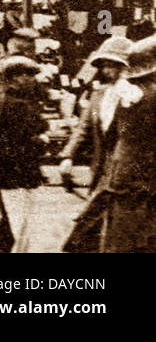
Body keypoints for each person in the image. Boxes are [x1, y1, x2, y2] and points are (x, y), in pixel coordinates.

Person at [60, 37, 132, 251]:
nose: (107, 70)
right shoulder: (98, 96)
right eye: (104, 65)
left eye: (113, 65)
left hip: (125, 174)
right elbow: (83, 129)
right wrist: (67, 155)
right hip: (101, 171)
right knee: (91, 231)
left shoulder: (133, 95)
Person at [97, 34, 156, 252]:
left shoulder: (129, 92)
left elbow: (110, 133)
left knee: (120, 239)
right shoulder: (149, 93)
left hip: (124, 176)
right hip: (143, 182)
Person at [0, 55, 47, 253]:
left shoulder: (9, 102)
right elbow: (20, 141)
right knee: (20, 224)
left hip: (8, 173)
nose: (32, 79)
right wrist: (40, 142)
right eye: (28, 75)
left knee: (7, 222)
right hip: (17, 174)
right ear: (15, 78)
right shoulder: (17, 105)